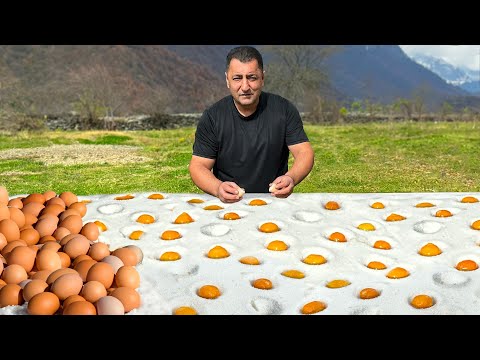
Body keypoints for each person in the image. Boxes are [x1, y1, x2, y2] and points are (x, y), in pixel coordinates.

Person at [188, 45, 314, 203]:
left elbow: (304, 152)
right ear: (227, 80)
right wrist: (217, 187)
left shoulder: (284, 110)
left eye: (252, 77)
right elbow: (198, 166)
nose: (245, 86)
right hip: (228, 204)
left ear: (262, 78)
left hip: (274, 201)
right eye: (237, 78)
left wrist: (291, 178)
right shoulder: (213, 117)